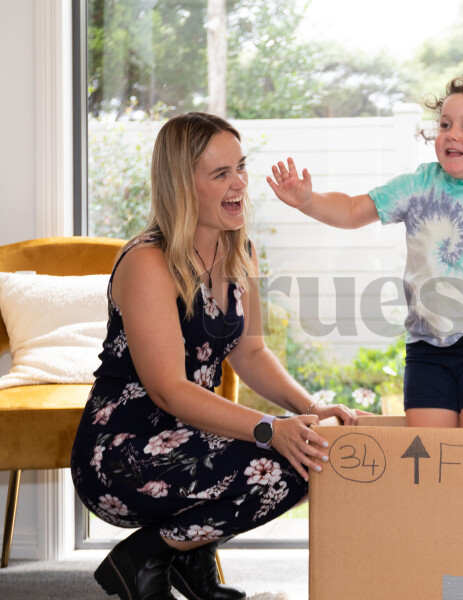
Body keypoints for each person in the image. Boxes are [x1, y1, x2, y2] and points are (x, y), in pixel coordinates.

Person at [70, 112, 363, 600]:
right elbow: (169, 390)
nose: (240, 184)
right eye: (221, 174)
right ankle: (143, 558)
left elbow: (252, 353)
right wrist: (270, 428)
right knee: (284, 462)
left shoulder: (239, 249)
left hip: (192, 436)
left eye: (241, 167)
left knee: (311, 454)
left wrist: (309, 409)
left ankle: (185, 555)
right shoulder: (148, 262)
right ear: (182, 185)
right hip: (122, 454)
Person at [268, 74, 463, 429]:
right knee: (430, 450)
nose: (452, 134)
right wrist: (308, 201)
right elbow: (352, 211)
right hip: (426, 351)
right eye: (445, 124)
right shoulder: (418, 186)